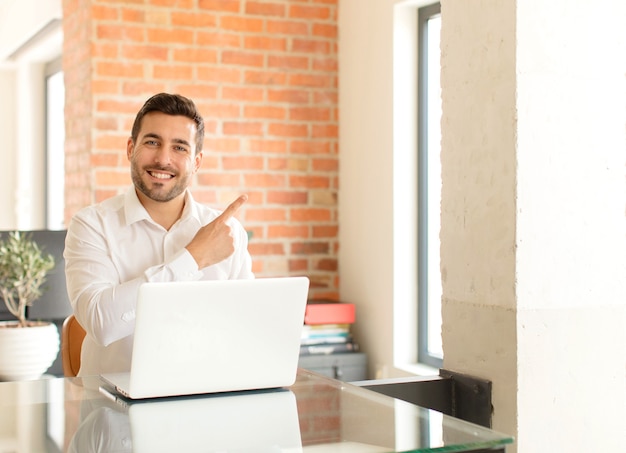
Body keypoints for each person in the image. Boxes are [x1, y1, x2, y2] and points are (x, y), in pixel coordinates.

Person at [64, 93, 254, 377]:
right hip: (112, 412)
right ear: (131, 149)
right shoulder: (91, 226)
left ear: (197, 161)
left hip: (206, 401)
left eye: (179, 147)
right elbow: (101, 323)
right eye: (152, 142)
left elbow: (247, 330)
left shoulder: (227, 233)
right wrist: (193, 258)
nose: (163, 159)